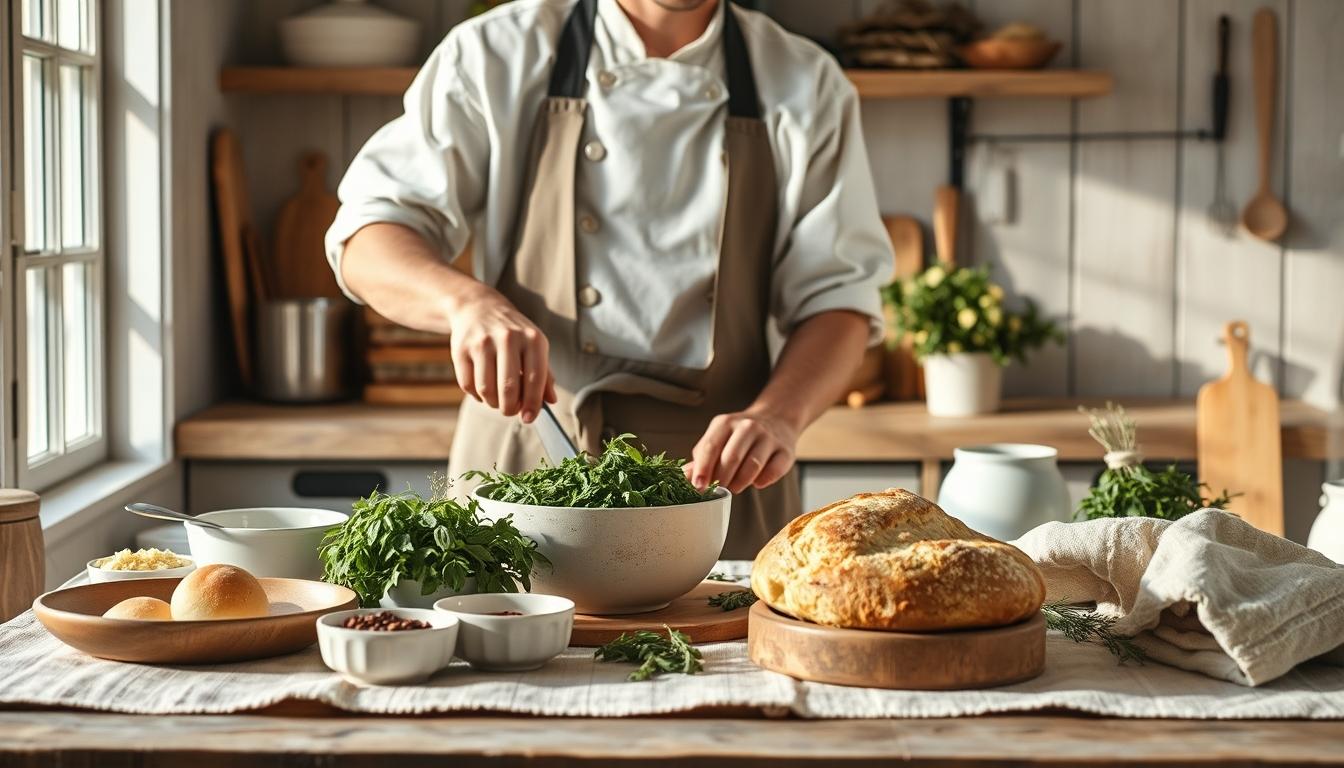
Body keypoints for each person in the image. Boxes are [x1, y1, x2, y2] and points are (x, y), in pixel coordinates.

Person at [326, 0, 892, 557]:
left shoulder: (805, 81)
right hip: (520, 476)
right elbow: (368, 238)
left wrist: (778, 417)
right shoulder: (497, 52)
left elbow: (839, 300)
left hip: (718, 490)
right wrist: (466, 304)